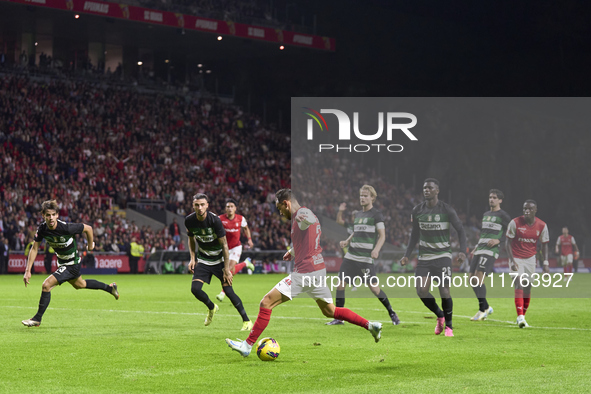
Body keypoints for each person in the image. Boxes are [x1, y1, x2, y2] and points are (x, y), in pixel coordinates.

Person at [225, 189, 383, 358]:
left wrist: (303, 217)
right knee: (330, 311)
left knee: (266, 303)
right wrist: (293, 251)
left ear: (286, 203)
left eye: (280, 208)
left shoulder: (302, 214)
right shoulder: (307, 215)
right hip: (318, 271)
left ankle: (247, 345)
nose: (280, 212)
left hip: (305, 273)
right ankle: (370, 325)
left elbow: (305, 220)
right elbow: (309, 235)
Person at [22, 200, 119, 327]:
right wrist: (28, 270)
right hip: (63, 263)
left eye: (53, 215)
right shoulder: (42, 229)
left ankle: (37, 319)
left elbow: (88, 228)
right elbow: (34, 248)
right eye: (48, 215)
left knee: (46, 285)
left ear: (57, 215)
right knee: (80, 284)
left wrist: (90, 245)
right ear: (43, 216)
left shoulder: (66, 228)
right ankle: (110, 288)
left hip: (71, 264)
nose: (50, 218)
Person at [400, 178, 467, 337]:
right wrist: (406, 255)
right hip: (424, 258)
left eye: (430, 188)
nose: (426, 190)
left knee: (444, 291)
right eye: (424, 188)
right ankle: (440, 315)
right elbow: (414, 234)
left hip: (443, 255)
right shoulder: (417, 210)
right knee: (421, 291)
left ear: (437, 191)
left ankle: (449, 327)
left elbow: (461, 230)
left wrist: (462, 250)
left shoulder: (447, 210)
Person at [326, 185, 400, 326]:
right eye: (361, 195)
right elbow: (356, 231)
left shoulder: (376, 215)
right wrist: (347, 241)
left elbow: (382, 235)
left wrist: (377, 249)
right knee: (340, 285)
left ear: (372, 197)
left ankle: (392, 313)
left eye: (365, 196)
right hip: (351, 257)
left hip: (365, 259)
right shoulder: (358, 215)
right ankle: (339, 317)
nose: (362, 198)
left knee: (374, 289)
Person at [185, 193, 252, 330]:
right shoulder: (189, 220)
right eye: (197, 205)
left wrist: (226, 269)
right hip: (203, 260)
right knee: (195, 289)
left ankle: (247, 321)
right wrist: (192, 259)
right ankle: (212, 307)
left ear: (207, 205)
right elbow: (191, 239)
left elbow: (225, 246)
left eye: (202, 204)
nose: (199, 207)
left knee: (228, 291)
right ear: (193, 205)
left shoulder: (215, 221)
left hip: (219, 260)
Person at [468, 189, 512, 321]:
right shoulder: (486, 214)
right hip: (480, 248)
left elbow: (511, 232)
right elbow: (484, 232)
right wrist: (477, 246)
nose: (491, 199)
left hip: (490, 251)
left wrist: (499, 240)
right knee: (471, 279)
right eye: (490, 197)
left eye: (494, 197)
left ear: (500, 200)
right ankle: (486, 307)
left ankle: (482, 310)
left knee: (479, 277)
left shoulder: (503, 215)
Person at [506, 200, 549, 328]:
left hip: (530, 259)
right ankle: (520, 317)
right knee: (519, 282)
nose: (527, 211)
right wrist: (512, 260)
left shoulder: (542, 225)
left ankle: (522, 316)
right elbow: (507, 242)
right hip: (516, 257)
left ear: (535, 210)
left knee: (528, 287)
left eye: (530, 209)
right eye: (525, 209)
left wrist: (545, 263)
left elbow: (544, 245)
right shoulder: (514, 223)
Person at [216, 198, 255, 302]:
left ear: (235, 208)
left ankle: (222, 293)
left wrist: (249, 240)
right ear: (225, 208)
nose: (229, 208)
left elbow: (246, 228)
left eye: (232, 206)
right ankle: (246, 263)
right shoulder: (220, 219)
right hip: (224, 248)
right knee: (230, 271)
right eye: (228, 206)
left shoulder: (240, 219)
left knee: (228, 269)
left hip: (236, 247)